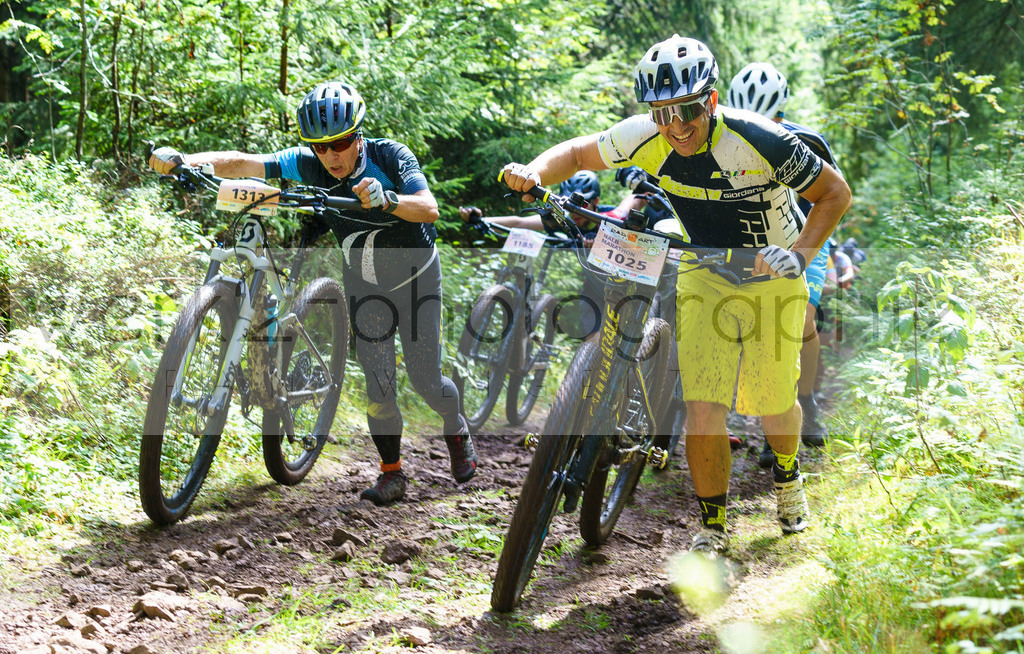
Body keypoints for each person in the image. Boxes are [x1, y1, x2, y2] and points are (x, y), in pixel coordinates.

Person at [499, 35, 852, 555]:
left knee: (775, 405)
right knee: (704, 405)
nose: (677, 125)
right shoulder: (647, 136)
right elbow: (576, 154)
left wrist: (798, 254)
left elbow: (835, 193)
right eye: (663, 113)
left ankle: (788, 476)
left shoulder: (759, 139)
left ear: (710, 100)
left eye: (688, 109)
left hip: (772, 271)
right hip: (705, 269)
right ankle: (713, 527)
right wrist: (534, 171)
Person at [148, 81, 478, 506]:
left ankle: (456, 426)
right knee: (379, 387)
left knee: (427, 382)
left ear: (358, 134)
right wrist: (186, 161)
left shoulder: (390, 156)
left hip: (415, 282)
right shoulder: (309, 163)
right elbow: (246, 162)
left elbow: (429, 208)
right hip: (366, 286)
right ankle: (392, 474)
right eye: (320, 147)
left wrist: (389, 198)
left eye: (340, 143)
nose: (331, 156)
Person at [727, 61, 841, 456]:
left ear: (781, 111)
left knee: (802, 318)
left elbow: (834, 197)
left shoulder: (809, 140)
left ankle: (805, 401)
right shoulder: (722, 134)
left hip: (806, 231)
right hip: (750, 234)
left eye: (768, 117)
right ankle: (771, 419)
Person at [459, 171, 643, 340]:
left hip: (627, 291)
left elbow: (633, 201)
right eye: (571, 205)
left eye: (583, 204)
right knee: (594, 346)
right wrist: (481, 219)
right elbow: (520, 222)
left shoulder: (610, 218)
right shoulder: (565, 221)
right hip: (594, 293)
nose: (575, 211)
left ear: (596, 201)